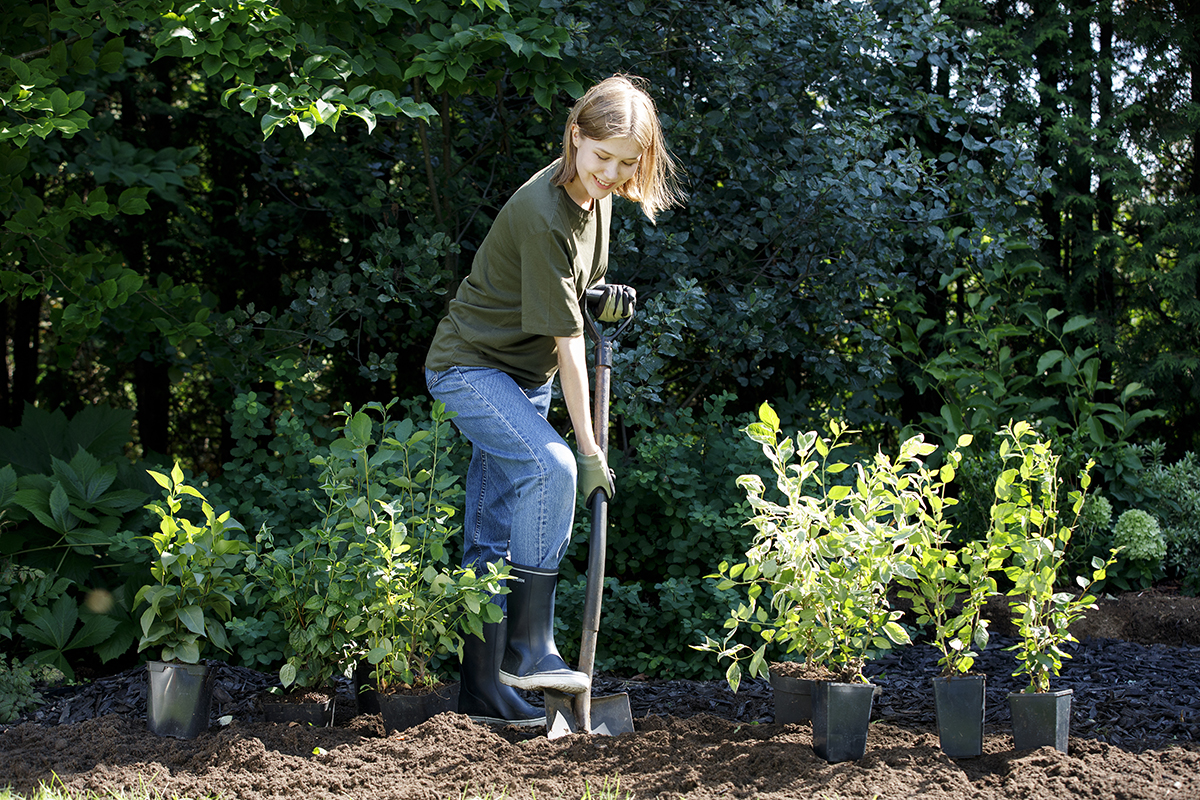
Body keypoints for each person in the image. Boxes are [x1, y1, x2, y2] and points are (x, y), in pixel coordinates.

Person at [423, 74, 684, 727]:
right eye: (602, 158)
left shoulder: (600, 198)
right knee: (555, 468)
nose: (613, 175)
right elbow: (568, 347)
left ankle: (482, 693)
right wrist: (590, 451)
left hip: (523, 379)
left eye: (629, 164)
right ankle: (529, 646)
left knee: (488, 538)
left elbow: (573, 289)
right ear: (576, 136)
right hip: (470, 369)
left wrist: (600, 295)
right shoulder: (543, 213)